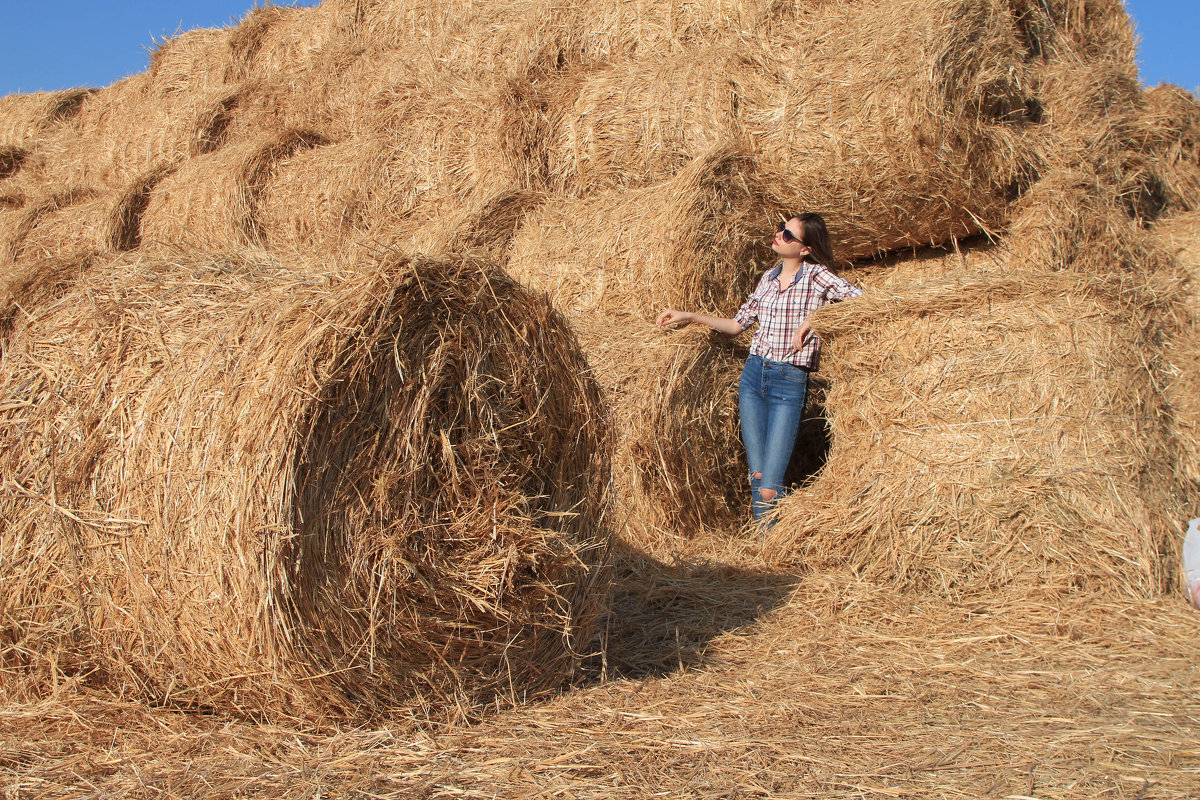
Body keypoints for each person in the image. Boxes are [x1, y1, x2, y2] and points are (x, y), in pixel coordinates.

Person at [656, 213, 863, 526]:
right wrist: (689, 315)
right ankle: (766, 554)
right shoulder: (767, 278)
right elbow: (738, 325)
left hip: (789, 382)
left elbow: (860, 299)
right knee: (758, 475)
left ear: (805, 249)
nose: (780, 235)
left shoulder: (816, 276)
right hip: (753, 378)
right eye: (781, 229)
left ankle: (771, 551)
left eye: (789, 235)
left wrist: (814, 321)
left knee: (769, 488)